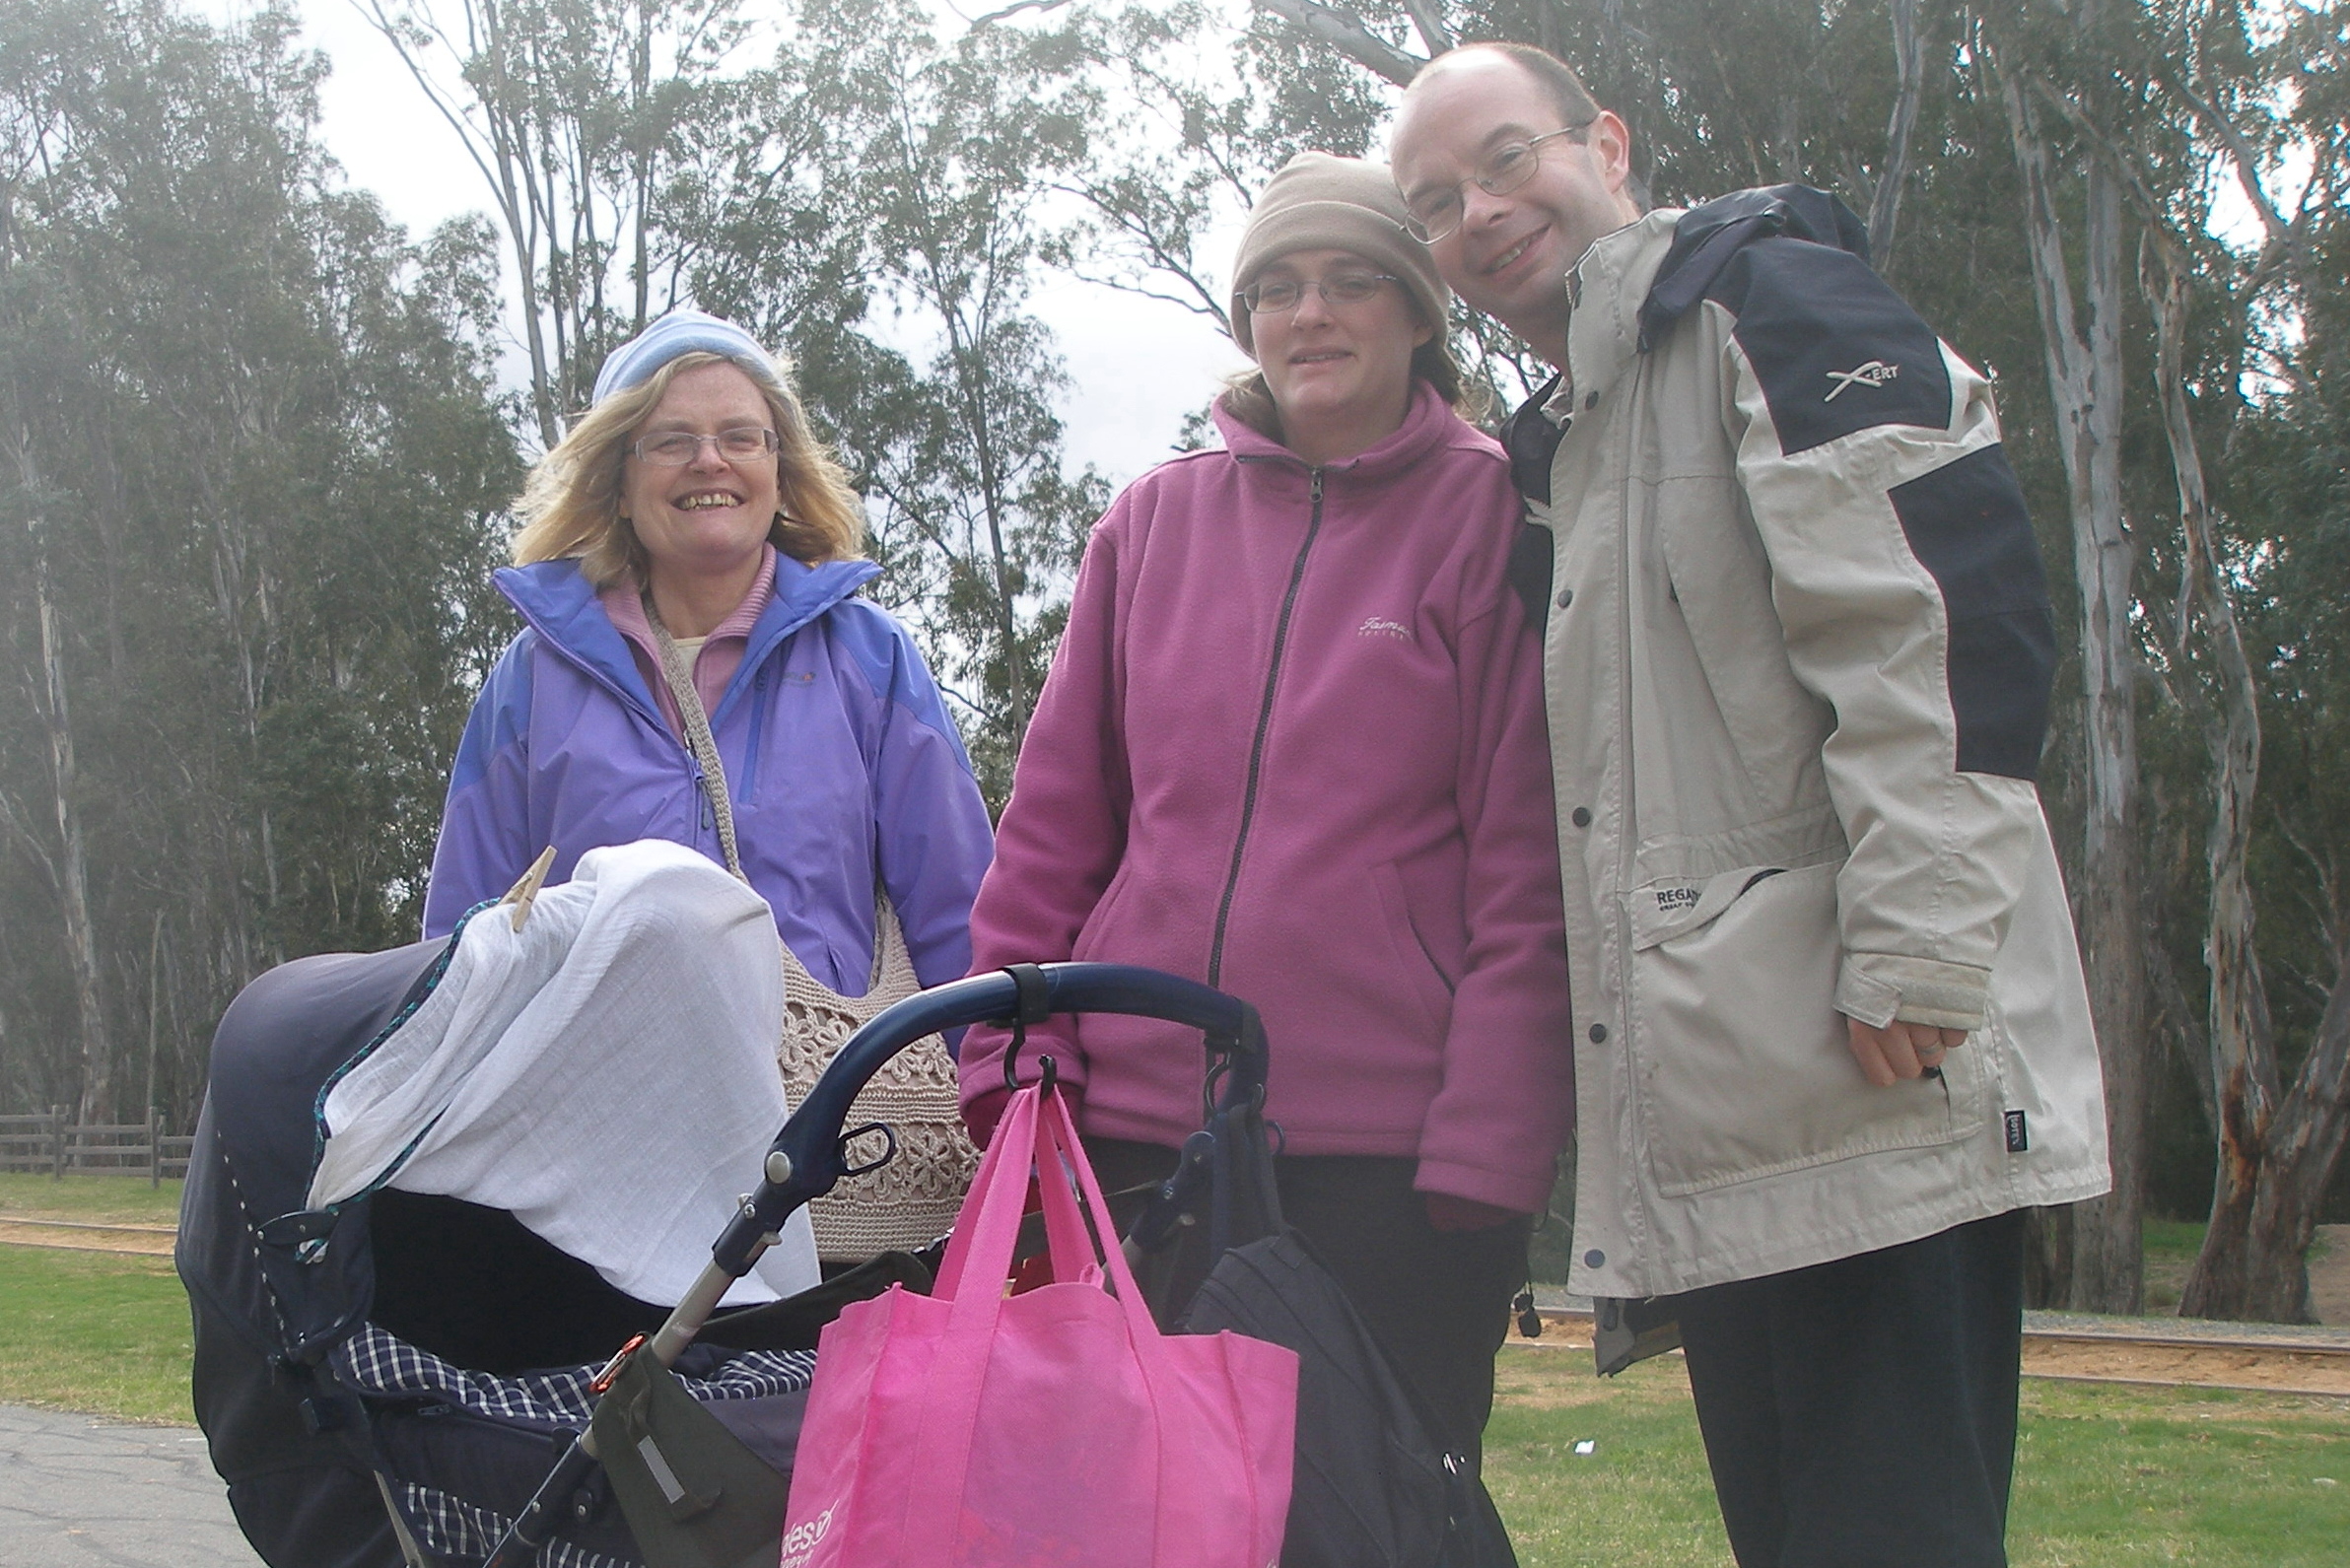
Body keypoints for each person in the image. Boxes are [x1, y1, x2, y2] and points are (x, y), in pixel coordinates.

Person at [1391, 41, 2111, 1568]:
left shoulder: (1770, 305)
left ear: (1607, 142)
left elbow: (1944, 609)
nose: (1479, 212)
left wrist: (1921, 948)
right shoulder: (1573, 444)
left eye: (1506, 158)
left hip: (1873, 1069)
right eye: (1437, 200)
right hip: (1735, 1103)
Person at [955, 152, 1574, 1463]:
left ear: (1417, 311)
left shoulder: (1492, 518)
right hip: (1125, 1142)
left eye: (1353, 281)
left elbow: (1529, 867)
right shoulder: (1150, 523)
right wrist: (1017, 1069)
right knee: (1122, 1511)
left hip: (1387, 1165)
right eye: (1279, 288)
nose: (1312, 313)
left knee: (1367, 1522)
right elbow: (1050, 839)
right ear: (1246, 321)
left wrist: (1491, 1143)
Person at [424, 309, 994, 1122]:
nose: (709, 460)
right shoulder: (532, 679)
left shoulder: (870, 659)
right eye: (670, 440)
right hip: (595, 1144)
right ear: (618, 483)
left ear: (779, 469)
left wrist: (1003, 1111)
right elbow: (464, 946)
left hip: (831, 1144)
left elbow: (960, 919)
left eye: (741, 436)